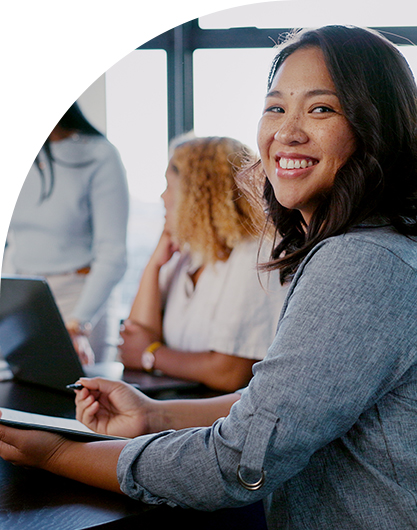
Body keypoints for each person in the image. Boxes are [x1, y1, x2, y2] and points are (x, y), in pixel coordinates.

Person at [1, 24, 417, 530]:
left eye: (321, 108)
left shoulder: (361, 261)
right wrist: (157, 416)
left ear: (377, 126)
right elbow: (283, 405)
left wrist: (54, 455)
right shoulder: (365, 248)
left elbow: (236, 460)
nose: (287, 131)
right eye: (275, 107)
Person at [119, 136, 285, 392]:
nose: (163, 197)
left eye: (169, 186)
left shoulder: (256, 254)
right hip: (180, 402)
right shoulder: (189, 255)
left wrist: (151, 355)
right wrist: (153, 267)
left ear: (198, 195)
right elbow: (135, 336)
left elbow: (229, 373)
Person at [2, 102, 129, 363]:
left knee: (79, 396)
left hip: (81, 298)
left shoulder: (99, 154)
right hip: (25, 300)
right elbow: (14, 243)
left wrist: (79, 323)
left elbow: (112, 253)